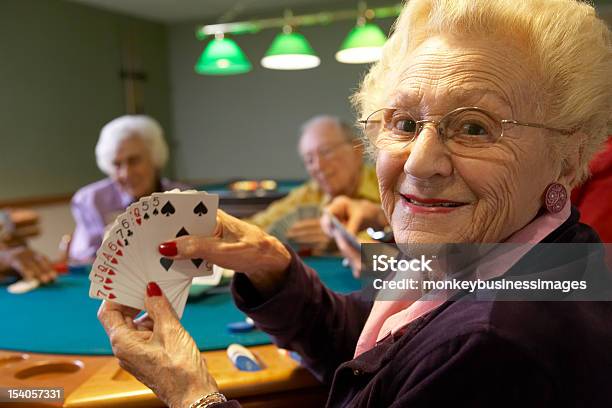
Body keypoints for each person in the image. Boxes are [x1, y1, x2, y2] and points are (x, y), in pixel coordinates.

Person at [98, 0, 612, 406]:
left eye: (475, 127)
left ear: (568, 160)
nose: (418, 163)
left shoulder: (490, 345)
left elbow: (446, 350)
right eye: (404, 123)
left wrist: (194, 396)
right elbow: (382, 351)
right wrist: (276, 269)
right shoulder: (553, 257)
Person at [248, 115, 379, 251]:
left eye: (326, 152)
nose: (317, 166)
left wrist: (342, 241)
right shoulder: (308, 194)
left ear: (357, 150)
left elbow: (398, 256)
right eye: (309, 160)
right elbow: (254, 227)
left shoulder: (389, 186)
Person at [69, 115, 188, 262]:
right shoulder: (91, 200)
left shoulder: (184, 196)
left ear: (155, 158)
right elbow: (85, 259)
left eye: (134, 161)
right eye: (117, 164)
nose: (126, 173)